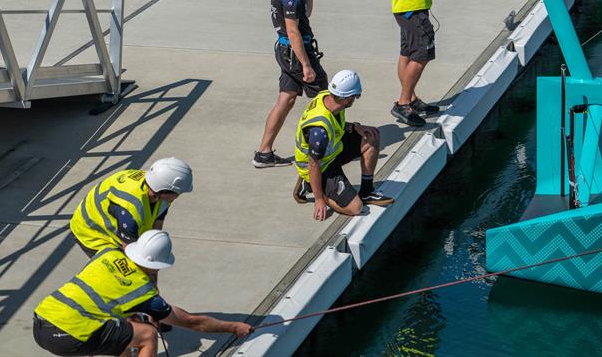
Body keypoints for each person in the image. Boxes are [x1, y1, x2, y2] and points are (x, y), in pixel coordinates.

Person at [32, 230, 253, 357]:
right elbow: (190, 322)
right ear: (156, 264)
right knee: (146, 334)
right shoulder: (141, 289)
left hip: (41, 322)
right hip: (69, 336)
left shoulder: (107, 253)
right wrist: (233, 327)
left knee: (126, 332)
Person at [253, 0, 327, 168]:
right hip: (296, 52)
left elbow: (306, 14)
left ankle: (263, 153)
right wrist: (306, 64)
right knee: (328, 98)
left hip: (283, 50)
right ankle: (329, 146)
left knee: (286, 98)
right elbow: (294, 30)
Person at [293, 70, 394, 221]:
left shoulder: (329, 97)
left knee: (371, 137)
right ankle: (310, 185)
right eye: (355, 96)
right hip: (321, 166)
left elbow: (335, 123)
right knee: (355, 208)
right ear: (347, 99)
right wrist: (319, 199)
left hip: (331, 151)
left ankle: (367, 191)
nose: (356, 99)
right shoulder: (319, 131)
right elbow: (313, 164)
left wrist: (355, 127)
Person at [69, 158, 193, 257]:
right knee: (122, 273)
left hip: (125, 226)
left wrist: (154, 247)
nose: (177, 197)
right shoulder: (129, 209)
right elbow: (131, 251)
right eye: (177, 194)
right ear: (164, 191)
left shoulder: (158, 186)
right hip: (92, 232)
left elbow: (158, 221)